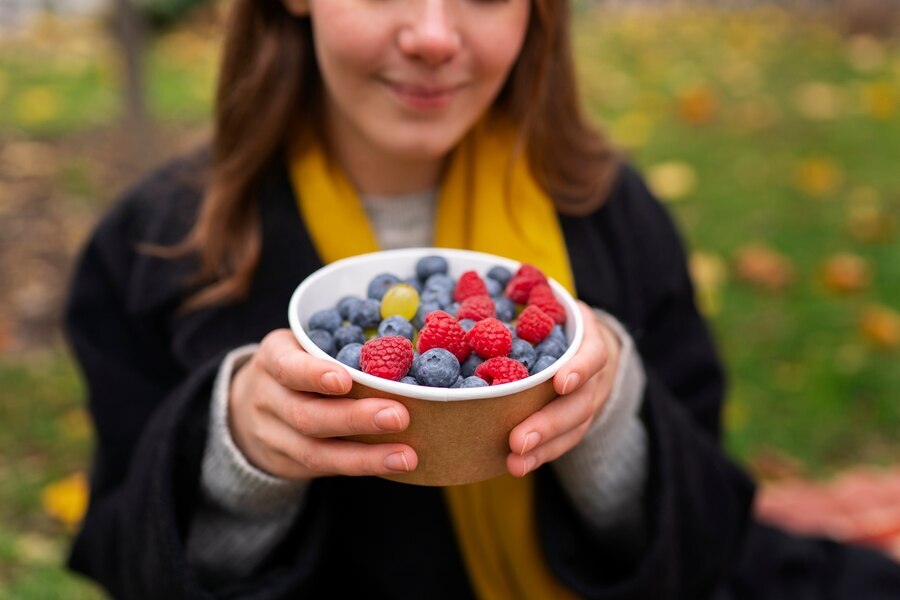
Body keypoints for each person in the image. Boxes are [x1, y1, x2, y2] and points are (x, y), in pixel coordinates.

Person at [64, 1, 900, 598]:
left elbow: (708, 528)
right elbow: (126, 559)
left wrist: (606, 418)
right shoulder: (154, 250)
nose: (432, 34)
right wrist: (236, 454)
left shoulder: (610, 215)